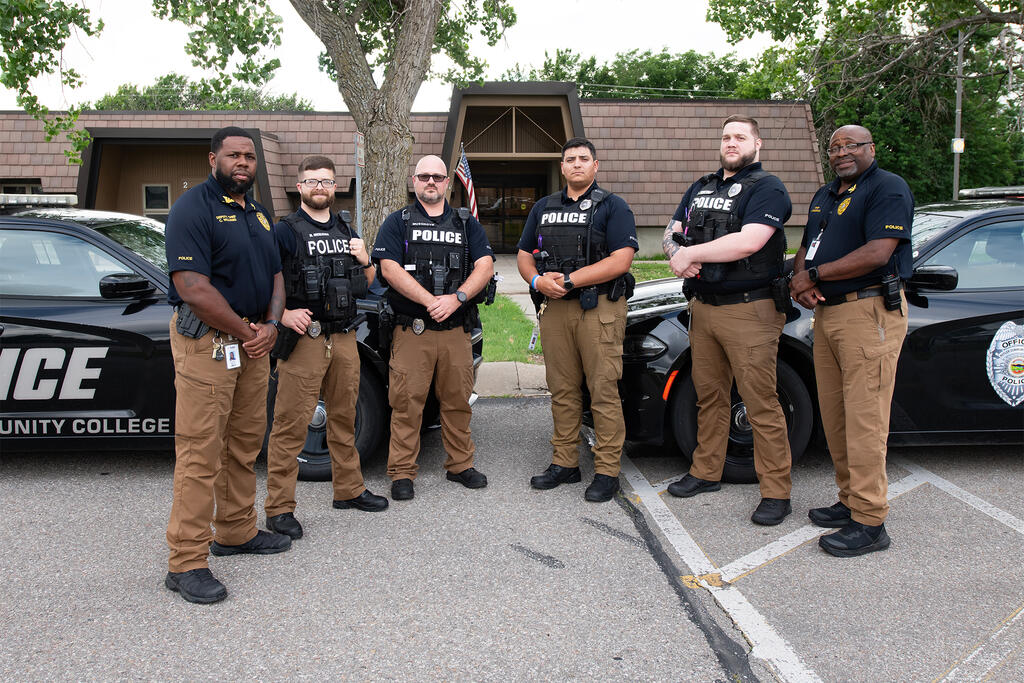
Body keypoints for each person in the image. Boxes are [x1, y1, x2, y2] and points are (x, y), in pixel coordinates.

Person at [163, 126, 290, 604]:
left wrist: (271, 324)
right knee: (201, 452)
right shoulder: (191, 208)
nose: (243, 163)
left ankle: (236, 531)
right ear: (212, 158)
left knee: (243, 443)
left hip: (252, 344)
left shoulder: (257, 213)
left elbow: (276, 275)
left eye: (249, 157)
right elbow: (192, 287)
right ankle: (185, 562)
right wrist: (248, 331)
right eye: (234, 155)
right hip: (209, 345)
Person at [662, 115, 795, 526]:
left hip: (749, 308)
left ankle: (776, 492)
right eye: (726, 137)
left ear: (758, 144)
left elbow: (749, 241)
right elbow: (672, 230)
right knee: (710, 395)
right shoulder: (701, 187)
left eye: (740, 137)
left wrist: (691, 254)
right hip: (704, 306)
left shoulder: (768, 188)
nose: (731, 143)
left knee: (760, 401)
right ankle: (706, 472)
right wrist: (676, 254)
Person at [790, 124, 912, 557]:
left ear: (870, 148)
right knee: (837, 416)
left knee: (865, 420)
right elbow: (808, 246)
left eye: (851, 145)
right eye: (835, 147)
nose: (842, 152)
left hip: (868, 311)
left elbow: (878, 252)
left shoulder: (887, 188)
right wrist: (800, 281)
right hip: (829, 314)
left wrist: (814, 275)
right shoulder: (825, 194)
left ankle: (870, 520)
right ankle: (849, 500)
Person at [263, 156, 389, 541]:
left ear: (336, 187)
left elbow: (369, 282)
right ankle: (279, 508)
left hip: (345, 337)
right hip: (307, 339)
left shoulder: (346, 228)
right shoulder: (285, 231)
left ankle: (348, 489)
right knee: (290, 424)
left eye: (327, 181)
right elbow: (263, 278)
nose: (320, 187)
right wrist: (282, 314)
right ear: (299, 187)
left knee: (344, 416)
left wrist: (365, 259)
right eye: (312, 181)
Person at [517, 137, 638, 503]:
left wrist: (570, 280)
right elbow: (524, 255)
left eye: (584, 159)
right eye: (570, 159)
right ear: (562, 167)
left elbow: (621, 260)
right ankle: (565, 462)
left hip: (598, 307)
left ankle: (607, 471)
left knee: (603, 390)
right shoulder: (543, 207)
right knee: (562, 389)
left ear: (595, 166)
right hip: (555, 308)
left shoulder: (613, 206)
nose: (576, 164)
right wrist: (537, 281)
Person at [371, 155, 494, 501]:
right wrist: (430, 301)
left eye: (437, 177)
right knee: (406, 403)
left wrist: (456, 298)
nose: (430, 182)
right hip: (413, 330)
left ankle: (460, 465)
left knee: (457, 402)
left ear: (447, 183)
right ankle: (402, 472)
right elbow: (389, 269)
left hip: (456, 329)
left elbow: (485, 266)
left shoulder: (466, 223)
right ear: (414, 181)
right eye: (424, 176)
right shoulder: (398, 222)